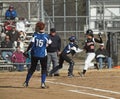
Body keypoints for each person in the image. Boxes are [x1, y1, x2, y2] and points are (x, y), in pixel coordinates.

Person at [23, 21, 51, 88]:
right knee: (44, 69)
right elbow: (49, 44)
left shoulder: (35, 35)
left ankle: (26, 82)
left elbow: (31, 44)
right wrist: (46, 46)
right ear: (43, 27)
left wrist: (27, 51)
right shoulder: (46, 36)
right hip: (43, 54)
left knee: (32, 68)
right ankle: (43, 83)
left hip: (34, 54)